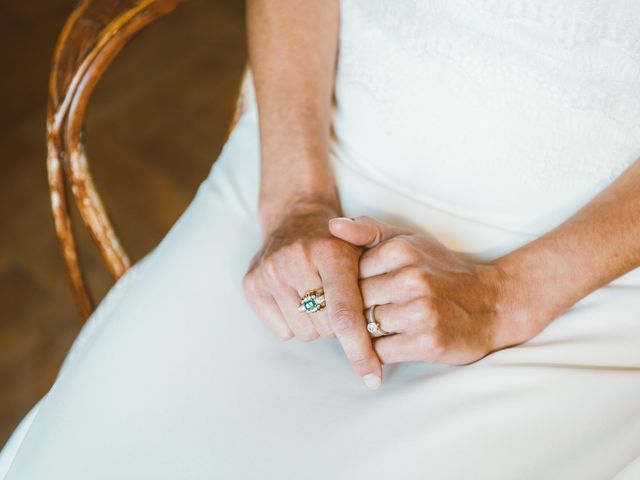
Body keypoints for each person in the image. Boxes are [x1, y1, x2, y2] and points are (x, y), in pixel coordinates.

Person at [1, 0, 640, 478]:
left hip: (586, 261)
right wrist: (294, 203)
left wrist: (507, 298)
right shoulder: (299, 195)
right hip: (322, 158)